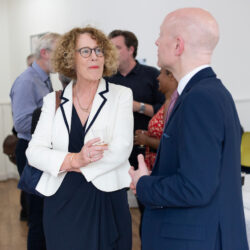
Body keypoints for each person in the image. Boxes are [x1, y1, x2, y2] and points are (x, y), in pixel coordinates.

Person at [129, 7, 249, 250]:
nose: (155, 41)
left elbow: (195, 187)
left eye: (160, 34)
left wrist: (143, 183)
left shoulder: (199, 98)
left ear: (177, 45)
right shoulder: (212, 92)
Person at [26, 26, 133, 250]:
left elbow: (121, 148)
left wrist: (81, 165)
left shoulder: (121, 95)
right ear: (70, 58)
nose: (94, 57)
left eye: (99, 51)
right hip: (63, 200)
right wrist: (76, 160)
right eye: (85, 51)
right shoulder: (52, 101)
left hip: (106, 198)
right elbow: (34, 152)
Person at [10, 32, 61, 250]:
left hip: (42, 153)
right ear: (44, 53)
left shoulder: (44, 78)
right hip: (31, 153)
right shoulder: (26, 81)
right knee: (38, 217)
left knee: (45, 214)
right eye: (59, 52)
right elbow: (21, 124)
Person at [106, 30, 165, 169]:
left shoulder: (152, 75)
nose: (112, 53)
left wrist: (139, 106)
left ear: (131, 49)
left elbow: (165, 111)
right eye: (110, 49)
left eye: (117, 48)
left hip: (145, 149)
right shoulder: (106, 78)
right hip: (114, 151)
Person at [134, 69, 178, 170]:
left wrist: (146, 140)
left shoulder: (171, 104)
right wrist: (148, 134)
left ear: (171, 76)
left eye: (161, 73)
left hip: (164, 167)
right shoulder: (167, 102)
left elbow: (171, 144)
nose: (158, 77)